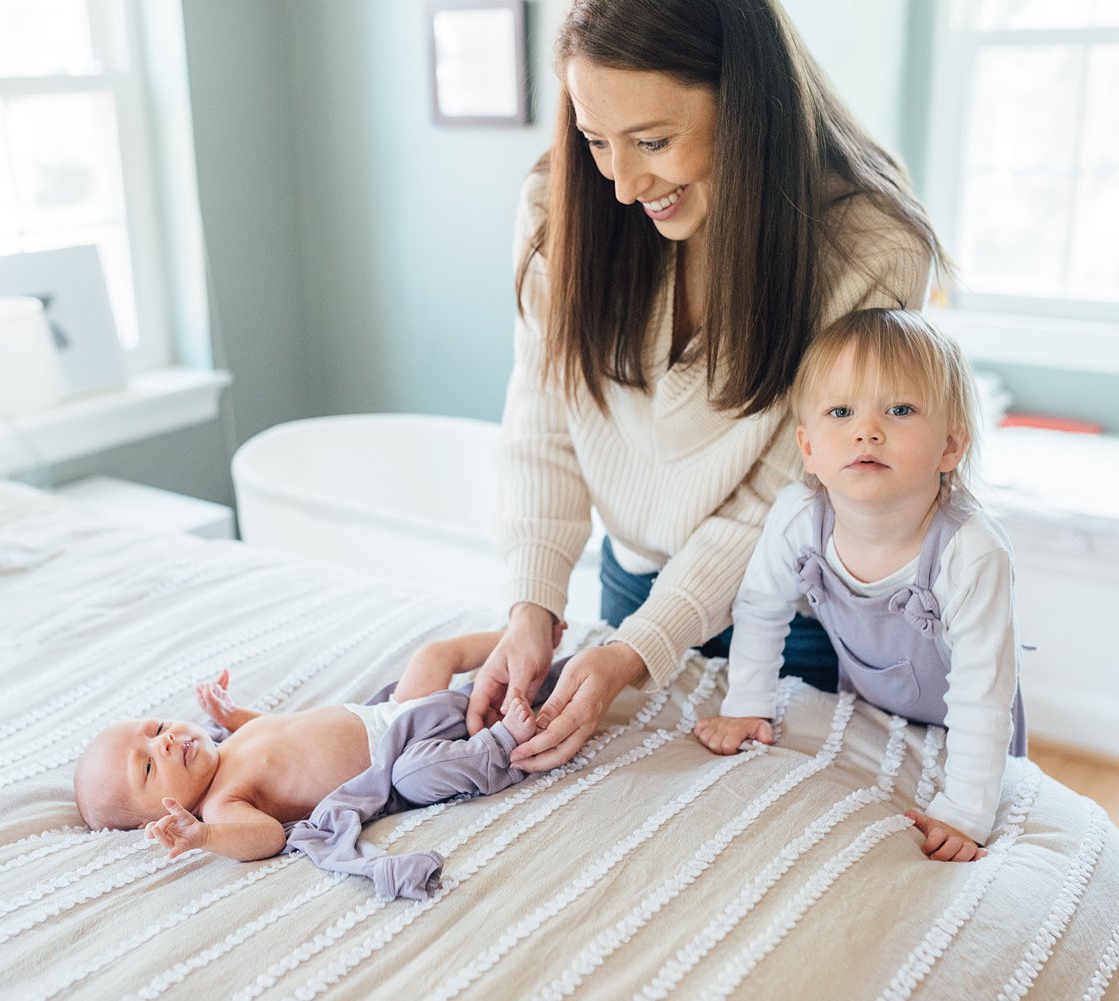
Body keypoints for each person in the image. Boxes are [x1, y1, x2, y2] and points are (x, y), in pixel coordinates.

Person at [460, 0, 950, 772]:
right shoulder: (560, 208)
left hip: (797, 607)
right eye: (596, 140)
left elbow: (784, 493)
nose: (621, 184)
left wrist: (636, 651)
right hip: (637, 575)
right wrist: (533, 606)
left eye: (653, 141)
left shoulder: (870, 248)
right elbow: (544, 421)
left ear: (748, 103)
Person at [695, 308, 1025, 863]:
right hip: (869, 707)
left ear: (949, 446)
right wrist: (747, 701)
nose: (866, 430)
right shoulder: (799, 516)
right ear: (808, 447)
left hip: (966, 727)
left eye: (899, 410)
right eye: (841, 411)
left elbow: (983, 696)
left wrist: (965, 813)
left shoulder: (971, 553)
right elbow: (760, 606)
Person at [72, 631, 548, 900]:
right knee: (420, 777)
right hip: (395, 761)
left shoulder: (231, 741)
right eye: (150, 768)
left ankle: (521, 640)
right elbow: (269, 837)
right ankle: (505, 741)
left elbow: (279, 728)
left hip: (392, 712)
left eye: (156, 729)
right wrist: (206, 839)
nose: (167, 742)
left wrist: (231, 715)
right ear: (160, 817)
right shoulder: (221, 805)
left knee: (433, 653)